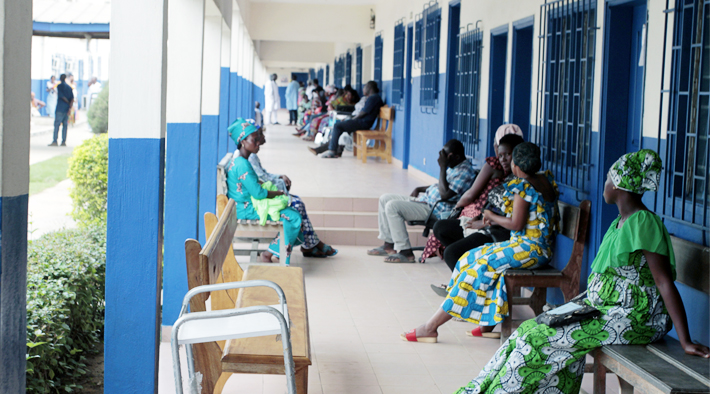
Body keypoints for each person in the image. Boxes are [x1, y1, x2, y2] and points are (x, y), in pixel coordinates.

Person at [453, 149, 710, 394]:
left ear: (620, 186)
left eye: (609, 178)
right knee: (527, 331)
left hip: (636, 316)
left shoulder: (644, 222)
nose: (605, 183)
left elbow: (663, 282)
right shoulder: (621, 221)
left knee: (540, 341)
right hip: (607, 306)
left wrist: (685, 341)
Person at [402, 142, 559, 341]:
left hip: (530, 250)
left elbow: (515, 224)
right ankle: (486, 325)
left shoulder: (524, 187)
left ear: (516, 166)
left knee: (479, 267)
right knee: (470, 257)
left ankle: (431, 326)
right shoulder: (543, 180)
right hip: (532, 247)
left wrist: (490, 216)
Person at [424, 126, 525, 268]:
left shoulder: (520, 184)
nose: (503, 159)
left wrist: (484, 222)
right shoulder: (508, 178)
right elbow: (493, 206)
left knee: (451, 253)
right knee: (440, 227)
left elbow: (514, 220)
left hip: (499, 233)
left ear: (518, 154)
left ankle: (464, 283)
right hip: (490, 224)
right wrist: (479, 217)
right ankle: (466, 273)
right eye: (500, 155)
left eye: (507, 155)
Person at [367, 139, 477, 263]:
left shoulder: (465, 172)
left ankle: (405, 252)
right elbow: (440, 185)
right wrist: (420, 188)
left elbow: (444, 194)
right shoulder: (455, 166)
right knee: (384, 198)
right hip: (426, 201)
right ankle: (388, 245)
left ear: (456, 157)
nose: (443, 159)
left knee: (392, 206)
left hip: (435, 209)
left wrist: (443, 167)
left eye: (446, 156)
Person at [248, 128, 337, 258]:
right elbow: (261, 182)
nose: (261, 138)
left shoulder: (250, 156)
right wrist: (281, 188)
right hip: (256, 204)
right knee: (296, 207)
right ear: (244, 141)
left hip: (262, 198)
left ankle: (311, 244)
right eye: (257, 137)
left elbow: (264, 175)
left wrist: (280, 177)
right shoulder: (247, 159)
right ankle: (304, 246)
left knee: (297, 203)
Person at [226, 118, 301, 264]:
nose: (258, 143)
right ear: (243, 142)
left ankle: (273, 251)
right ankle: (272, 253)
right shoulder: (242, 164)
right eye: (255, 140)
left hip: (246, 205)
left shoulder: (241, 161)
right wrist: (278, 194)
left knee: (293, 213)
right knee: (293, 217)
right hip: (246, 209)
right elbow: (259, 193)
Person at [308, 81, 384, 158]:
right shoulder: (374, 98)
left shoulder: (373, 98)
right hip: (362, 122)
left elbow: (362, 113)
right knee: (340, 130)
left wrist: (352, 119)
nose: (363, 88)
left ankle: (332, 151)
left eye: (365, 87)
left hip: (363, 123)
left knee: (337, 126)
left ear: (369, 88)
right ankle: (326, 150)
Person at [50, 73, 74, 147]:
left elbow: (61, 96)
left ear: (60, 79)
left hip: (60, 107)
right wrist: (69, 107)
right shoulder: (69, 88)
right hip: (66, 109)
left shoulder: (59, 86)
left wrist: (66, 102)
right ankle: (63, 141)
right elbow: (72, 99)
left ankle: (55, 141)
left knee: (57, 125)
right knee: (65, 125)